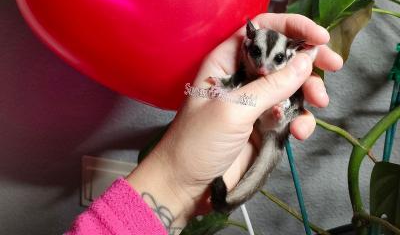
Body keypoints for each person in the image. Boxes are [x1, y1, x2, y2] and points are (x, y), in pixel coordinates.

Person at [66, 13, 343, 235]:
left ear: (292, 56)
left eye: (277, 60)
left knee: (289, 112)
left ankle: (279, 113)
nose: (263, 68)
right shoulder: (244, 64)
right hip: (255, 125)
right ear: (247, 44)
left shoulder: (284, 65)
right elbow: (234, 82)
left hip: (275, 120)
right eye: (257, 54)